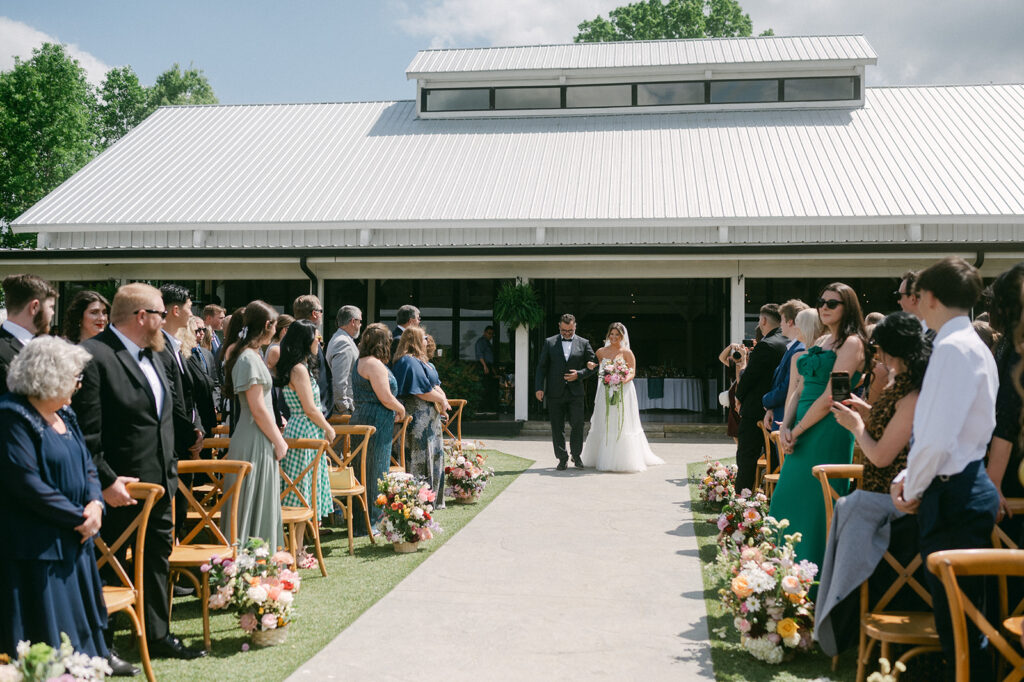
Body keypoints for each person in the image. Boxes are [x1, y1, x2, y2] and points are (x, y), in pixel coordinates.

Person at [72, 282, 206, 664]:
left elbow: (161, 419)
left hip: (161, 485)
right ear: (142, 316)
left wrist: (171, 473)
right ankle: (103, 644)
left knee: (156, 560)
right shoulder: (94, 356)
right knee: (108, 566)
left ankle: (156, 634)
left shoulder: (158, 356)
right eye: (161, 314)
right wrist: (105, 480)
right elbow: (85, 432)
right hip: (117, 488)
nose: (167, 322)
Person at [890, 257, 999, 679]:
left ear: (929, 297)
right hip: (966, 480)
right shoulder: (972, 343)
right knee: (964, 623)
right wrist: (909, 477)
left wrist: (911, 487)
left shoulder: (951, 348)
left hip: (953, 492)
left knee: (960, 626)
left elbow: (937, 437)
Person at [814, 312, 928, 655]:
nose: (876, 358)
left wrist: (855, 426)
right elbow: (885, 426)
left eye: (880, 351)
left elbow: (880, 456)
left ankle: (837, 619)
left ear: (895, 352)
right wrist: (864, 411)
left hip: (892, 500)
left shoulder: (912, 395)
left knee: (850, 509)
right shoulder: (898, 386)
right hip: (875, 491)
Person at [0, 337, 109, 662]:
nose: (79, 386)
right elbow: (26, 483)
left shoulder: (65, 414)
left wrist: (95, 504)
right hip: (38, 552)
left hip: (75, 546)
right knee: (50, 642)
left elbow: (87, 463)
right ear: (50, 376)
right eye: (75, 378)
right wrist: (80, 517)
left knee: (81, 641)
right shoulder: (12, 417)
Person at [771, 283, 868, 572]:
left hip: (829, 430)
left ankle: (812, 582)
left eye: (832, 303)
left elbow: (832, 396)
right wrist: (785, 427)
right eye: (821, 302)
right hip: (798, 429)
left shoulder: (852, 344)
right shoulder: (822, 341)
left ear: (847, 308)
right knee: (786, 498)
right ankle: (782, 574)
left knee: (816, 506)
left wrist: (796, 431)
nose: (824, 307)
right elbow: (798, 389)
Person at [220, 301, 287, 551]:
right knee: (251, 500)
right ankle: (247, 560)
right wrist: (279, 442)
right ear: (267, 325)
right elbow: (257, 408)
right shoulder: (248, 358)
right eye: (275, 326)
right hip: (254, 438)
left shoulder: (251, 355)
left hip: (258, 436)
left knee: (260, 500)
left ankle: (259, 560)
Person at [275, 319, 336, 566]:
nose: (318, 341)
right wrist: (329, 428)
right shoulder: (299, 369)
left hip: (304, 429)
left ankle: (298, 548)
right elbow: (310, 408)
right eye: (316, 337)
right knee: (299, 494)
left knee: (302, 494)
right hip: (304, 430)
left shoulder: (299, 365)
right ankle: (296, 550)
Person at [579, 322, 664, 472]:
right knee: (604, 419)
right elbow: (593, 364)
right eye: (611, 334)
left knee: (621, 421)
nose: (613, 337)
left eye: (617, 335)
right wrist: (590, 365)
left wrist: (623, 379)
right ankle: (598, 456)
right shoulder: (600, 351)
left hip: (623, 390)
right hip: (604, 390)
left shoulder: (627, 353)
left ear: (622, 336)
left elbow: (632, 371)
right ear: (608, 335)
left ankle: (625, 459)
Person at [351, 323, 406, 531]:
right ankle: (371, 522)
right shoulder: (374, 364)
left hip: (362, 417)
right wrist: (401, 409)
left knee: (362, 470)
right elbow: (385, 397)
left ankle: (361, 521)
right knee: (375, 470)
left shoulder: (360, 361)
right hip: (376, 420)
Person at [987, 263, 1024, 543]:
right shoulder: (1007, 345)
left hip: (1015, 467)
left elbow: (1008, 417)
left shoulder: (1014, 351)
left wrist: (993, 480)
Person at [733, 304, 787, 493]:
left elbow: (749, 379)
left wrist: (738, 397)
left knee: (747, 457)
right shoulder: (787, 341)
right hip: (779, 409)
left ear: (763, 320)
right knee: (773, 459)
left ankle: (742, 501)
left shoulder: (766, 344)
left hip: (756, 408)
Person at [534, 314, 597, 471]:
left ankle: (576, 455)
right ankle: (562, 458)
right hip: (555, 392)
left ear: (575, 326)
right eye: (564, 330)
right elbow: (542, 367)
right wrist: (539, 387)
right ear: (559, 326)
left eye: (570, 330)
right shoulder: (550, 342)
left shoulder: (584, 343)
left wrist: (580, 374)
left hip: (575, 393)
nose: (567, 333)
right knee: (557, 426)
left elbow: (593, 366)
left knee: (577, 424)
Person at [393, 327, 450, 500]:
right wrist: (441, 401)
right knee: (419, 455)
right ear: (415, 341)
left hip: (431, 418)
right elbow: (420, 391)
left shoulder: (422, 361)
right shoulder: (407, 362)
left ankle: (433, 497)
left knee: (433, 454)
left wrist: (443, 400)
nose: (428, 340)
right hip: (418, 418)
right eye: (424, 337)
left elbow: (434, 385)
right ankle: (418, 498)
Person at [0, 274, 57, 392]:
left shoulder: (44, 347)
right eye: (51, 307)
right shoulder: (2, 351)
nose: (53, 313)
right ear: (35, 307)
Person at [762, 300, 810, 433]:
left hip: (786, 417)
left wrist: (766, 400)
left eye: (782, 320)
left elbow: (787, 386)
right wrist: (771, 409)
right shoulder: (792, 348)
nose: (780, 324)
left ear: (790, 322)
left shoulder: (798, 350)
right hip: (779, 414)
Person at [293, 295, 332, 416]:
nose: (321, 315)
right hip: (312, 410)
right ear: (314, 313)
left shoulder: (292, 336)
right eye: (321, 311)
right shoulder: (307, 338)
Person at [186, 316, 219, 436]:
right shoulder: (183, 355)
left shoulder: (207, 354)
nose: (201, 334)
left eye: (203, 330)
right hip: (193, 416)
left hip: (209, 413)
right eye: (197, 330)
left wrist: (215, 403)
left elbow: (215, 382)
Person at [326, 305, 362, 416]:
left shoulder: (341, 338)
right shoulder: (343, 342)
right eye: (359, 321)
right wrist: (345, 408)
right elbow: (339, 380)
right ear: (352, 321)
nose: (360, 325)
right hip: (343, 411)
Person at [717, 342, 747, 443]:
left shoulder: (749, 362)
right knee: (734, 428)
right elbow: (721, 358)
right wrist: (730, 347)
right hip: (733, 397)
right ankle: (739, 447)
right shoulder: (733, 362)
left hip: (744, 396)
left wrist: (744, 357)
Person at [896, 271, 935, 344]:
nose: (898, 301)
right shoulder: (907, 333)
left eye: (899, 296)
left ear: (912, 298)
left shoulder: (939, 335)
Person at [475, 325, 498, 412]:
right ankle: (482, 408)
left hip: (488, 366)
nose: (490, 335)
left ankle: (489, 407)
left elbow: (490, 358)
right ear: (485, 333)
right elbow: (480, 355)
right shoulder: (481, 342)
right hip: (483, 366)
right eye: (489, 333)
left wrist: (492, 369)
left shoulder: (488, 343)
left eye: (492, 334)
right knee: (484, 387)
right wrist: (484, 366)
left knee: (489, 388)